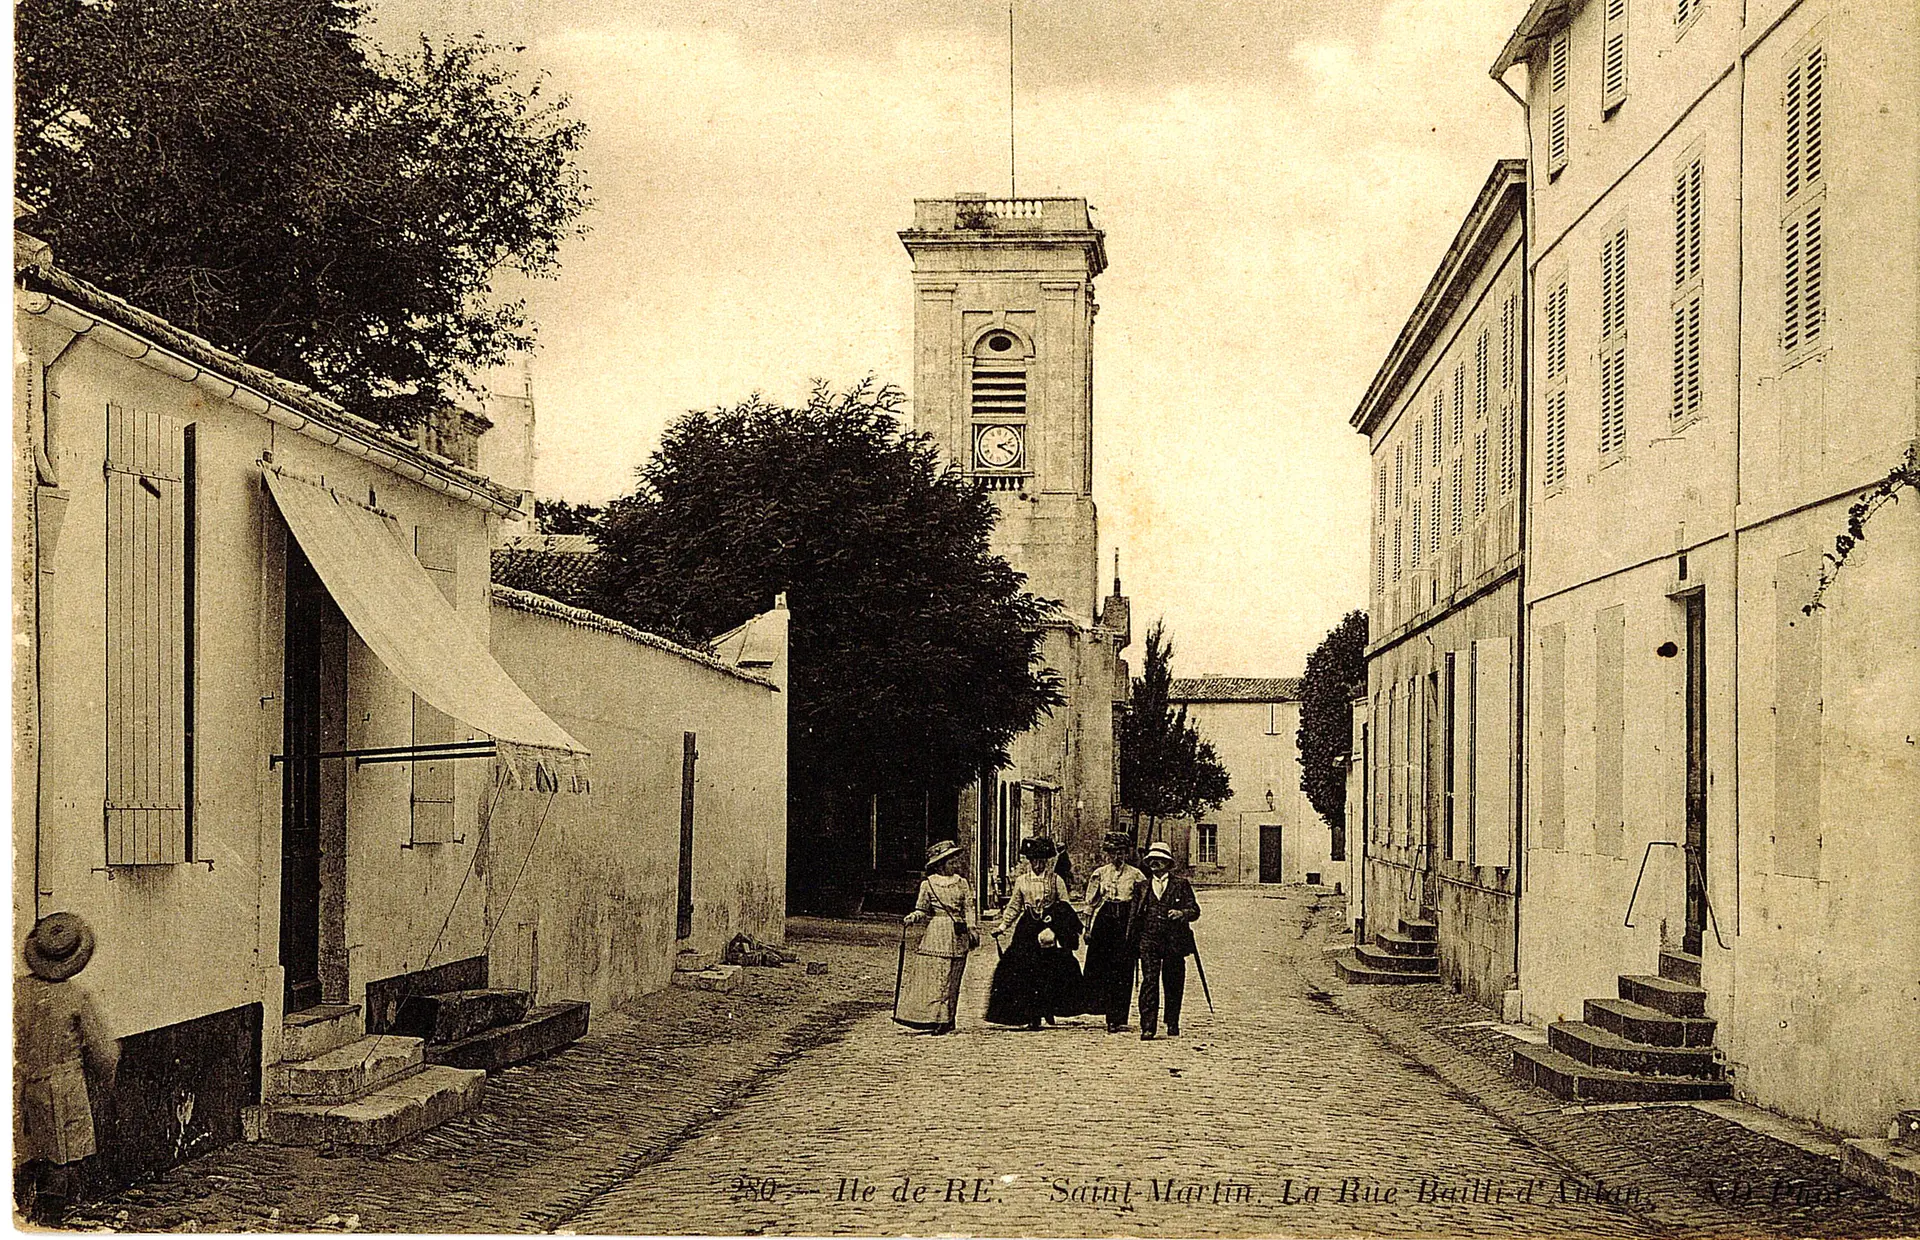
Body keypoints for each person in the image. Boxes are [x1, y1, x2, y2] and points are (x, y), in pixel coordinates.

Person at [15, 912, 118, 1225]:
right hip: (62, 1090)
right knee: (61, 1161)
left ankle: (17, 1216)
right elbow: (105, 1053)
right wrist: (106, 1080)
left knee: (23, 1156)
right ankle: (47, 1223)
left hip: (18, 1086)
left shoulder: (16, 991)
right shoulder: (75, 997)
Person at [984, 837, 1084, 1029]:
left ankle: (1048, 1008)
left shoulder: (1056, 880)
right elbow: (1014, 906)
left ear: (1047, 861)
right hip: (1028, 927)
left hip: (1049, 927)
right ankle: (1031, 1014)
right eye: (1034, 860)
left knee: (1049, 970)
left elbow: (1065, 907)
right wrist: (1003, 927)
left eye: (1042, 860)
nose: (1038, 864)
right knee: (1022, 968)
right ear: (1029, 861)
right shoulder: (1022, 881)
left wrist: (1057, 927)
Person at [894, 840, 979, 1035]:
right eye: (951, 862)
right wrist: (913, 917)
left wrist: (972, 927)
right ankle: (935, 1018)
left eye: (956, 861)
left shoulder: (962, 883)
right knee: (936, 978)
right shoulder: (928, 884)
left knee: (953, 978)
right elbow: (922, 909)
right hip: (936, 933)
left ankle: (949, 1018)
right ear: (940, 865)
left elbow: (969, 907)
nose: (955, 865)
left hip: (958, 934)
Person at [1080, 832, 1148, 1032]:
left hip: (1126, 922)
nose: (1117, 857)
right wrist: (1087, 929)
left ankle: (1119, 1015)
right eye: (1113, 853)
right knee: (1103, 968)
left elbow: (1143, 904)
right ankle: (1108, 1013)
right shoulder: (1100, 874)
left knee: (1124, 969)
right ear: (1107, 854)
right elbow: (1090, 903)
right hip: (1106, 920)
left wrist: (1139, 930)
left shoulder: (1136, 875)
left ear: (1126, 854)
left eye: (1121, 853)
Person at [1135, 842, 1201, 1041]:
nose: (1155, 863)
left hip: (1174, 940)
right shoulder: (1142, 886)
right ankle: (1148, 1026)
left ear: (1167, 863)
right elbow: (1135, 916)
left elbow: (1195, 910)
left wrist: (1181, 913)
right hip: (1149, 940)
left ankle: (1172, 1021)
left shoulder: (1180, 885)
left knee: (1173, 982)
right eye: (1151, 860)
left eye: (1159, 859)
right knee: (1149, 982)